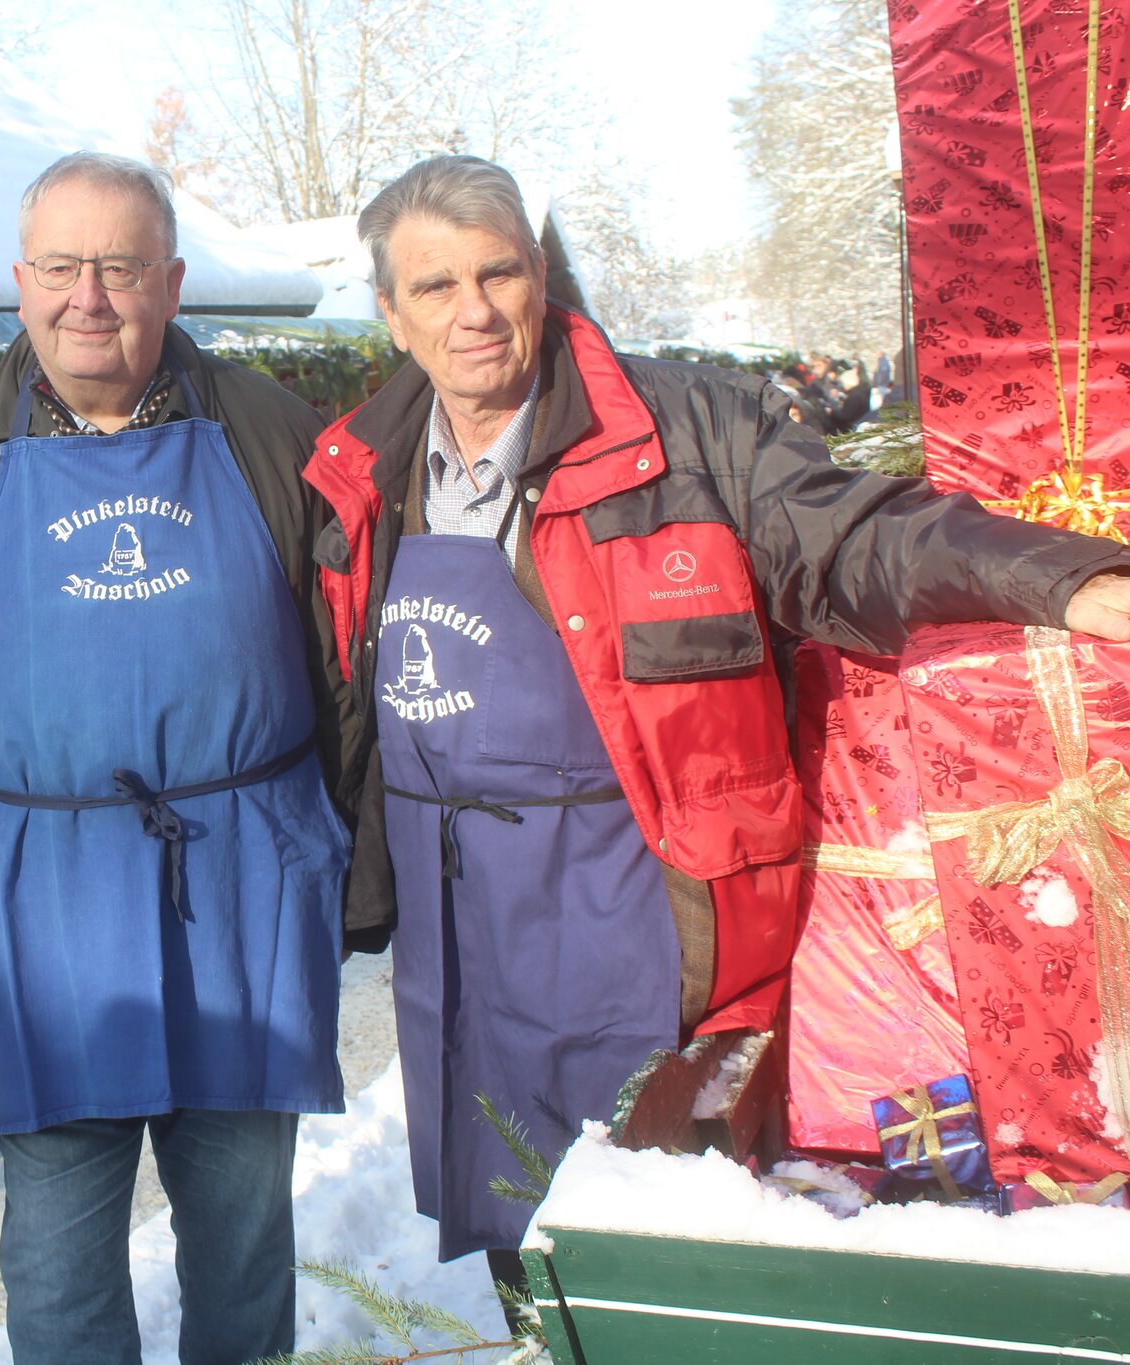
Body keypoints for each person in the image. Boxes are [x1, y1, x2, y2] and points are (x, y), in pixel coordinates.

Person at [303, 154, 1130, 1292]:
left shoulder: (690, 428)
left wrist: (1056, 578)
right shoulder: (354, 471)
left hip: (643, 902)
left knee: (655, 1224)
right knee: (512, 1221)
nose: (475, 312)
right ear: (391, 315)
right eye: (435, 288)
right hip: (461, 923)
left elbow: (854, 539)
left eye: (497, 274)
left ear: (539, 277)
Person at [0, 151, 352, 1365]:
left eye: (121, 266)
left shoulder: (270, 433)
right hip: (35, 905)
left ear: (172, 282)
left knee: (241, 1234)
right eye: (61, 267)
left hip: (238, 884)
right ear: (18, 282)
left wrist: (343, 852)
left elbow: (349, 657)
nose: (90, 296)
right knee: (58, 1248)